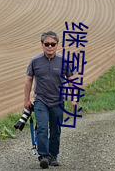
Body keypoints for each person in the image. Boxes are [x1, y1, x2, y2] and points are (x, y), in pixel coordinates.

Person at [24, 31, 76, 169]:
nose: (50, 46)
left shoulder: (64, 61)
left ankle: (53, 156)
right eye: (47, 44)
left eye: (53, 44)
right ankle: (44, 156)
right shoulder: (35, 61)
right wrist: (26, 99)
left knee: (55, 129)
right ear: (42, 45)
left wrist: (74, 98)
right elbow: (28, 80)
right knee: (42, 127)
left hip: (58, 101)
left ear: (57, 45)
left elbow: (71, 80)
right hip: (40, 100)